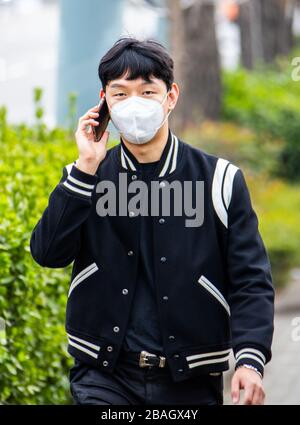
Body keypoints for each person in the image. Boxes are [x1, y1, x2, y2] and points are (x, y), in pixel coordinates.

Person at [30, 37, 274, 405]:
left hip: (191, 378)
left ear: (170, 96)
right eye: (121, 93)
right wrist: (85, 168)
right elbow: (48, 253)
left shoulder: (220, 180)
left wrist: (250, 360)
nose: (134, 104)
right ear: (104, 102)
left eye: (147, 91)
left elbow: (251, 280)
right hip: (103, 375)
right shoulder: (85, 177)